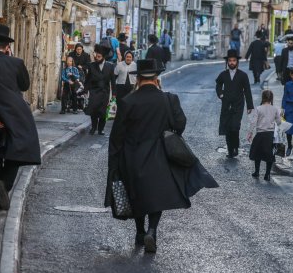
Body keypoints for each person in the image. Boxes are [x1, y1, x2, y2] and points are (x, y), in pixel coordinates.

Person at [104, 58, 217, 253]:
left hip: (132, 156)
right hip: (158, 155)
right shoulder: (168, 99)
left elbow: (117, 137)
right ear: (157, 78)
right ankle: (152, 230)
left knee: (136, 193)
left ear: (138, 79)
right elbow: (180, 124)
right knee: (155, 195)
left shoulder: (127, 101)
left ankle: (139, 232)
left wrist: (113, 164)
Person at [0, 23, 42, 210]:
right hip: (16, 114)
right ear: (7, 47)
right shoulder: (17, 63)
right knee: (18, 151)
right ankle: (4, 184)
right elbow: (24, 85)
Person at [216, 49, 254, 158]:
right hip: (226, 105)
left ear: (237, 62)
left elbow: (247, 90)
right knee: (228, 127)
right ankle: (230, 150)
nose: (232, 62)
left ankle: (235, 147)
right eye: (230, 60)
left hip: (238, 104)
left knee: (235, 126)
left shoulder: (243, 75)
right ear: (227, 62)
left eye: (234, 60)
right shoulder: (223, 74)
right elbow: (218, 85)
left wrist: (250, 106)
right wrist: (221, 94)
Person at [246, 89, 282, 181]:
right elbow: (279, 122)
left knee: (258, 154)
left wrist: (250, 133)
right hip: (270, 135)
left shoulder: (258, 108)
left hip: (260, 134)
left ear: (263, 98)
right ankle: (267, 174)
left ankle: (257, 172)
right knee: (270, 155)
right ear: (271, 98)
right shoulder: (275, 109)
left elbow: (253, 122)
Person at [84, 43, 117, 135]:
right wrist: (85, 91)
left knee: (103, 112)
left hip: (105, 92)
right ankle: (94, 127)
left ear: (103, 57)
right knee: (93, 111)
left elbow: (113, 81)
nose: (97, 58)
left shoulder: (110, 66)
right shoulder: (91, 66)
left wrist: (114, 94)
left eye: (99, 56)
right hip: (94, 91)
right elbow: (87, 80)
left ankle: (101, 129)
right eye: (96, 56)